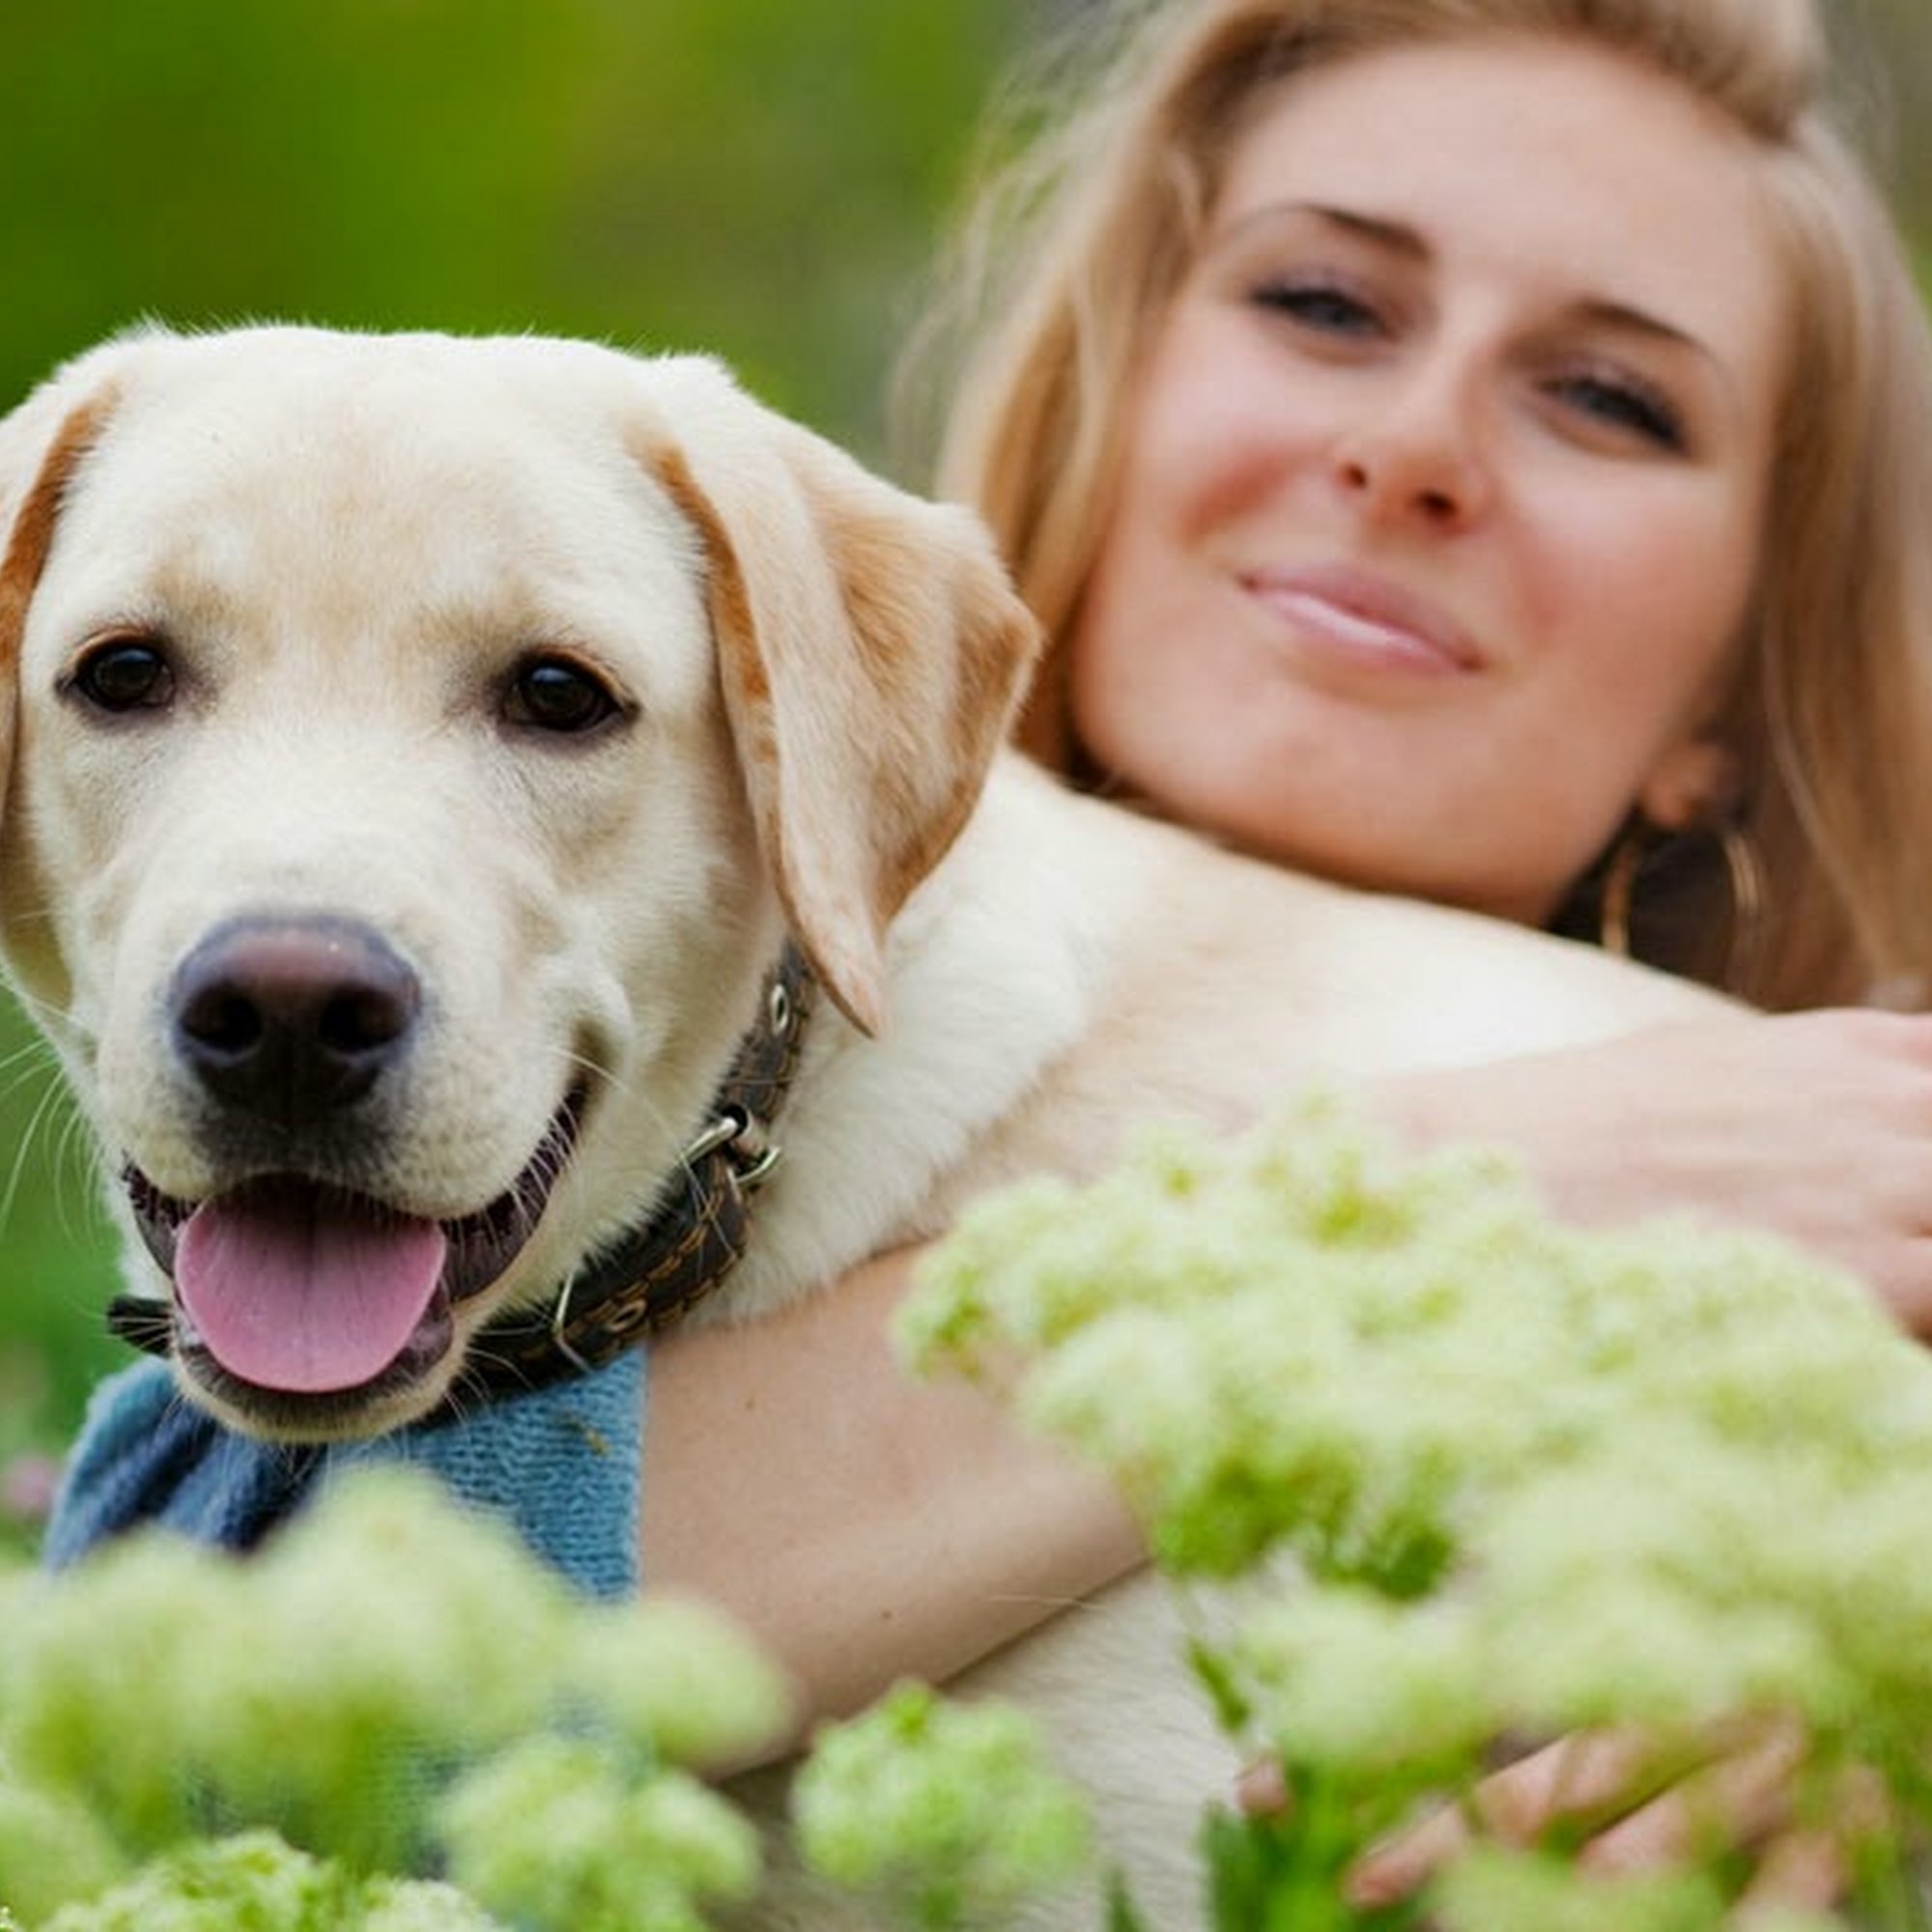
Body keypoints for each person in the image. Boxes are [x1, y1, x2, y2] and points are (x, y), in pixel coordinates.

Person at [642, 0, 1932, 1875]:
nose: (1415, 447)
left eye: (1607, 399)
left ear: (1727, 699)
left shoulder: (1874, 1163)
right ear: (1109, 399)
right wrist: (1469, 1178)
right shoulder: (622, 962)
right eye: (1324, 304)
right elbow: (198, 1569)